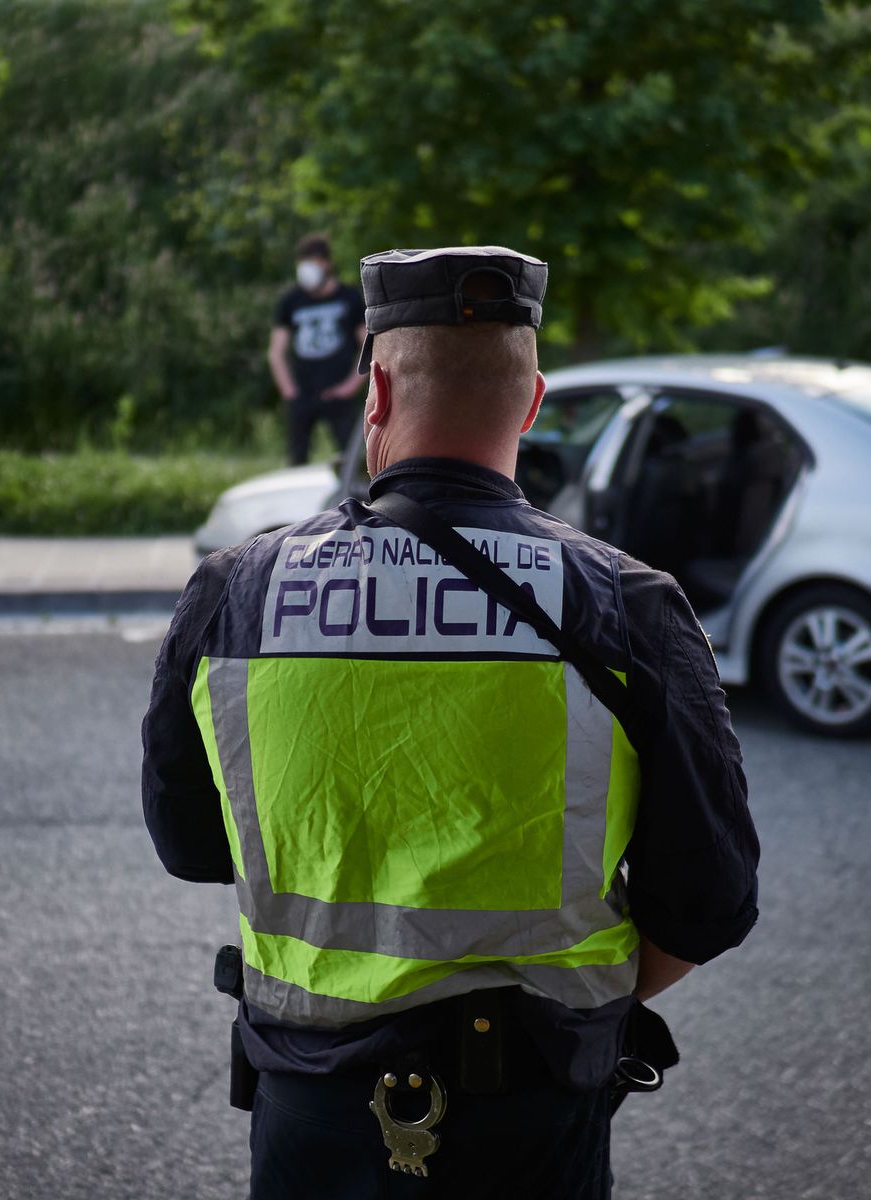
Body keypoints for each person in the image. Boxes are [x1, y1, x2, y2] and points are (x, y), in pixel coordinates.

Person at [143, 246, 759, 1197]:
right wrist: (558, 1014)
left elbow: (189, 845)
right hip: (534, 1118)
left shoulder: (236, 593)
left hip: (310, 1110)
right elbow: (712, 897)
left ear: (376, 391)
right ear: (534, 402)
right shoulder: (626, 603)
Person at [268, 233, 366, 466]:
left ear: (327, 263)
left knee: (354, 462)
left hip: (339, 394)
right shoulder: (291, 301)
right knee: (297, 461)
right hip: (303, 394)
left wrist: (350, 386)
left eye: (313, 262)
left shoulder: (349, 298)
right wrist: (290, 391)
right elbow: (276, 352)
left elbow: (369, 345)